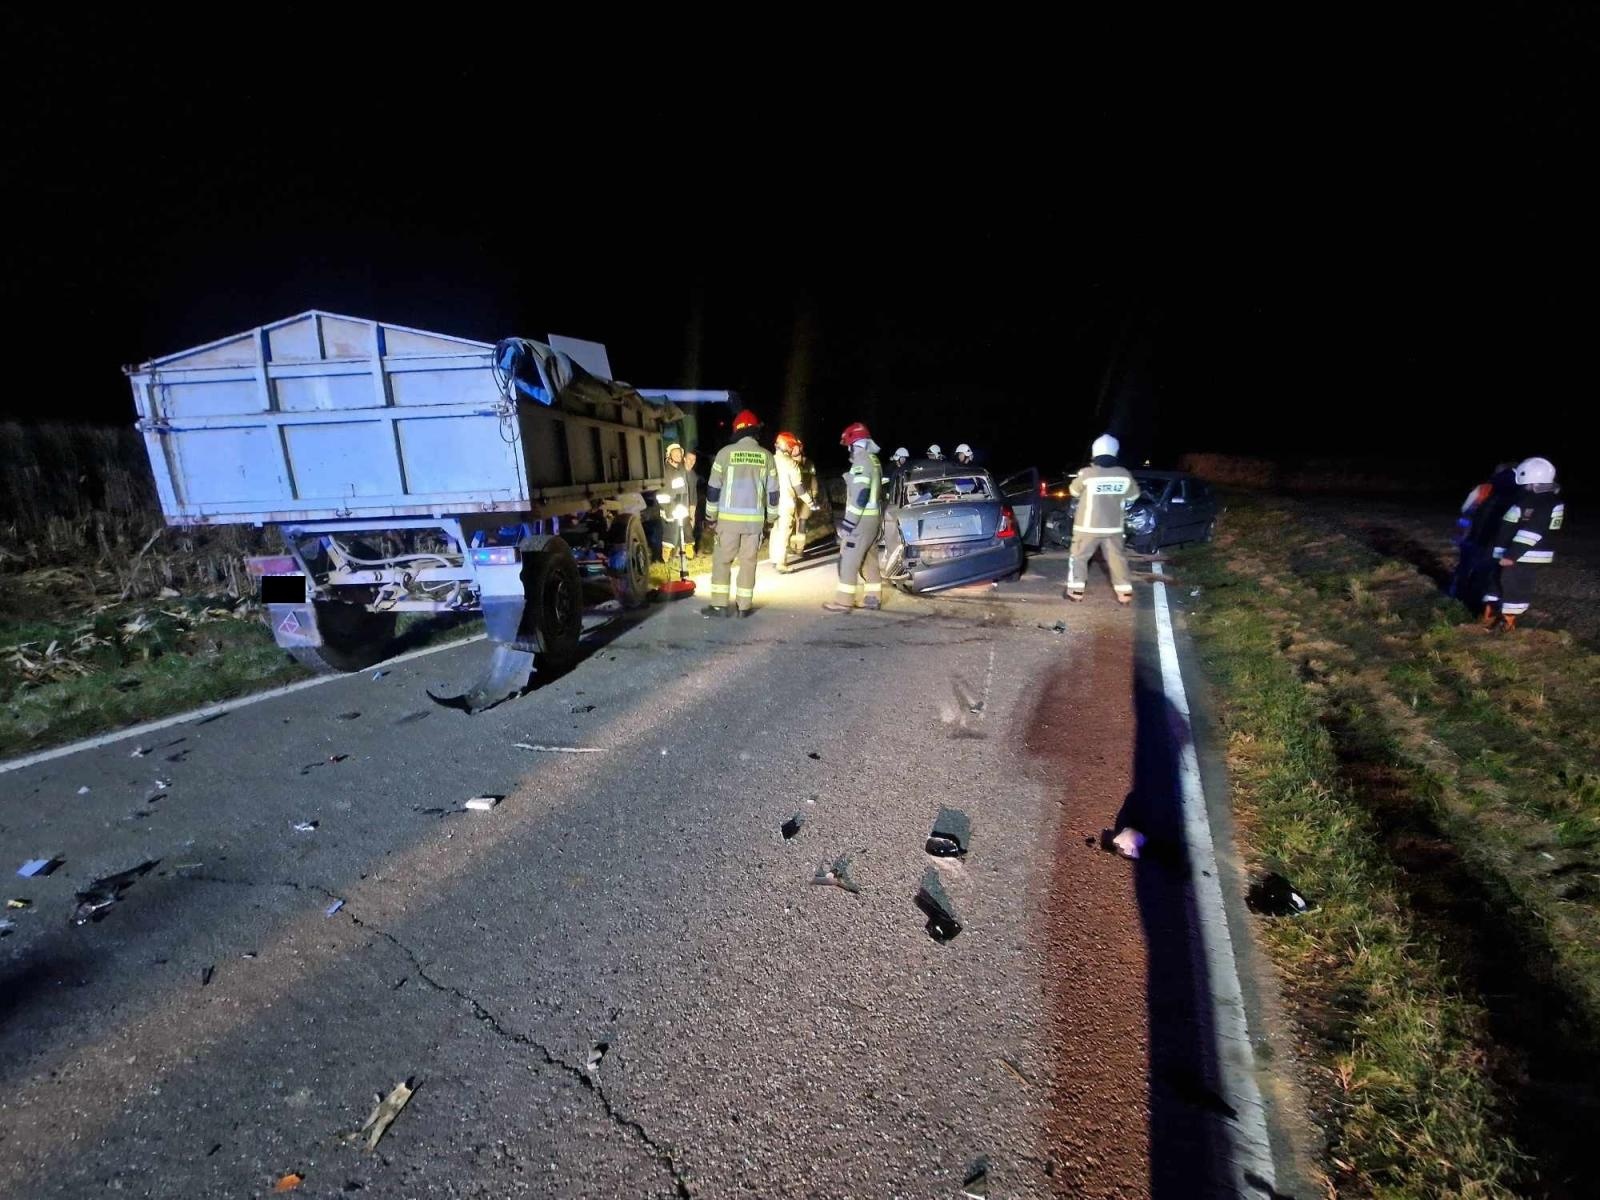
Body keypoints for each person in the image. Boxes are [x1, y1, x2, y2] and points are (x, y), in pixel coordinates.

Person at [703, 410, 779, 619]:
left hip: (727, 522)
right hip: (754, 524)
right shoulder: (766, 456)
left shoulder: (724, 454)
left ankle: (719, 605)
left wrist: (710, 516)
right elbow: (773, 493)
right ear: (755, 432)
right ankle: (743, 607)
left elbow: (713, 489)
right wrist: (771, 519)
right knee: (748, 563)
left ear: (736, 430)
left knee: (722, 561)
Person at [1484, 456, 1563, 631]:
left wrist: (1512, 555)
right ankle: (1490, 614)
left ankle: (1508, 622)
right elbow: (1508, 527)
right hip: (1510, 552)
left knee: (1514, 584)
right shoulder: (1530, 499)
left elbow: (1533, 531)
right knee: (1496, 581)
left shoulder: (1546, 503)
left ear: (1532, 481)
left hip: (1524, 555)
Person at [1065, 433, 1140, 605]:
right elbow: (1134, 496)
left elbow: (1074, 492)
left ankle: (1076, 592)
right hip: (1113, 528)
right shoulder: (1124, 474)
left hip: (1087, 528)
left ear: (1095, 453)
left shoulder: (1087, 473)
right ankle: (1124, 594)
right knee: (1116, 559)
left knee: (1079, 557)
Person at [824, 422, 884, 612]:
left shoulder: (861, 461)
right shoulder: (874, 460)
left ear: (853, 444)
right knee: (870, 559)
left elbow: (861, 495)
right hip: (873, 520)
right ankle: (873, 598)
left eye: (848, 446)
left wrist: (848, 524)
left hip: (861, 520)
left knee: (849, 558)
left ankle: (844, 602)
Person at [1451, 462, 1515, 606]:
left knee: (1465, 565)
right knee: (1489, 570)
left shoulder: (1482, 489)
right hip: (1491, 540)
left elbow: (1465, 508)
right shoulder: (1516, 494)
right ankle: (1483, 602)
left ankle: (1457, 595)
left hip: (1471, 535)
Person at [770, 431, 816, 572]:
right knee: (784, 531)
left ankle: (774, 558)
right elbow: (799, 488)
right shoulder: (791, 464)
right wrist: (810, 502)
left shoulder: (770, 460)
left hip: (771, 502)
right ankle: (781, 563)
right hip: (785, 502)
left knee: (775, 529)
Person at [663, 442, 698, 559]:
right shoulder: (666, 471)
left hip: (681, 506)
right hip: (669, 507)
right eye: (675, 453)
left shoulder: (682, 470)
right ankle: (667, 556)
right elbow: (664, 492)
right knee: (671, 531)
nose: (678, 455)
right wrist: (668, 508)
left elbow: (687, 490)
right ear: (669, 455)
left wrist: (690, 507)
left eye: (679, 453)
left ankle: (687, 549)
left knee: (686, 527)